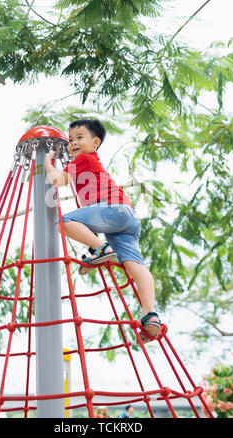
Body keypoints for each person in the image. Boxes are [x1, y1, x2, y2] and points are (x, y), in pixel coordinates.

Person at [45, 119, 161, 342]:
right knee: (135, 267)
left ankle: (101, 249)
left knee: (62, 222)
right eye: (70, 140)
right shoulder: (87, 162)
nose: (73, 143)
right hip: (127, 218)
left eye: (79, 138)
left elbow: (56, 180)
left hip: (113, 210)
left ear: (96, 142)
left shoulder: (84, 160)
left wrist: (48, 161)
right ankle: (150, 316)